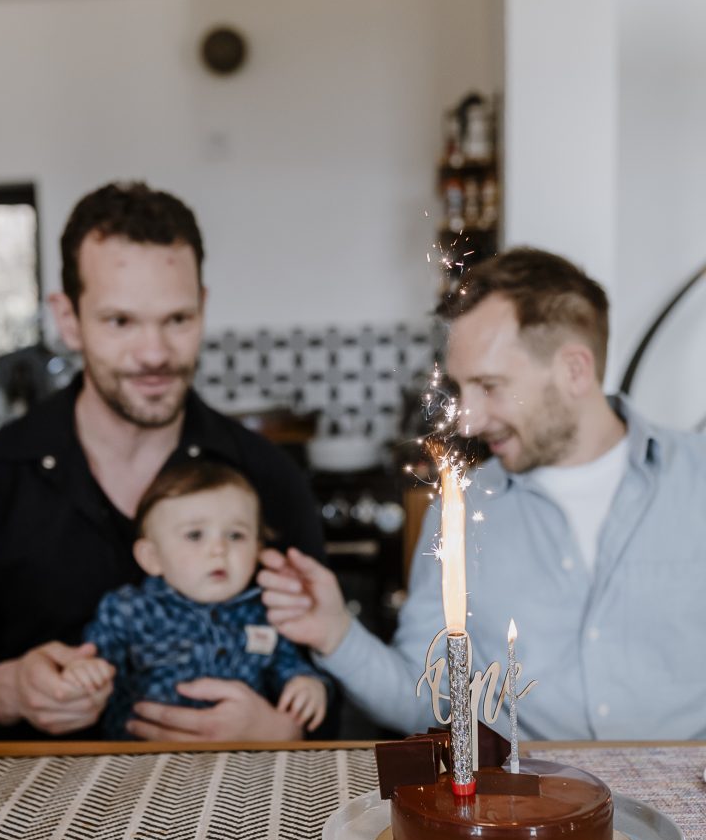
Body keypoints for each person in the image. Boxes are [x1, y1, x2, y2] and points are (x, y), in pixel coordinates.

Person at [259, 246, 706, 742]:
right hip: (527, 808)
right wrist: (336, 634)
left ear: (575, 371)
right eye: (460, 389)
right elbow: (427, 700)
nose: (467, 419)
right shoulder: (458, 508)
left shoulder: (696, 478)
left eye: (490, 386)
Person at [0, 181, 327, 741]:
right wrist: (6, 690)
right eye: (120, 321)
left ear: (204, 308)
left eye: (176, 320)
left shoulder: (268, 478)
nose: (154, 354)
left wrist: (283, 731)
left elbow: (329, 677)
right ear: (68, 318)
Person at [63, 460, 328, 738]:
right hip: (141, 763)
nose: (218, 549)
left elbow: (287, 664)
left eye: (236, 535)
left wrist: (305, 682)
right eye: (195, 535)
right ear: (152, 558)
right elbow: (97, 660)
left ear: (257, 549)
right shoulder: (129, 609)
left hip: (241, 762)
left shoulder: (265, 611)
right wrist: (84, 673)